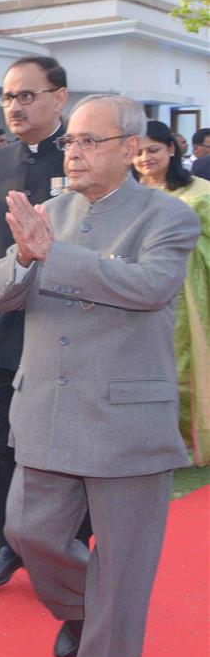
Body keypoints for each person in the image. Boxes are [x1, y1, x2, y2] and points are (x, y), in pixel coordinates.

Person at [0, 94, 199, 657]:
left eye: (89, 140)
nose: (72, 151)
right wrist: (23, 257)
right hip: (48, 407)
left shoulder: (168, 216)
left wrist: (54, 254)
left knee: (126, 567)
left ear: (130, 148)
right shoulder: (49, 213)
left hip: (128, 419)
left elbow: (149, 288)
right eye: (70, 139)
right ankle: (83, 611)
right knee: (29, 531)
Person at [0, 55, 91, 590]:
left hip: (68, 323)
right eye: (8, 97)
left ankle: (70, 544)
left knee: (66, 444)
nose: (15, 106)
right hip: (2, 324)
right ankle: (8, 540)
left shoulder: (85, 159)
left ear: (59, 98)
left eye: (27, 95)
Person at [133, 120, 210, 466]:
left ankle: (188, 444)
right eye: (137, 152)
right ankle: (149, 442)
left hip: (190, 298)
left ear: (171, 149)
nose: (145, 158)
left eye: (153, 150)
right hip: (136, 296)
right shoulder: (128, 195)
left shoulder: (200, 193)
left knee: (187, 369)